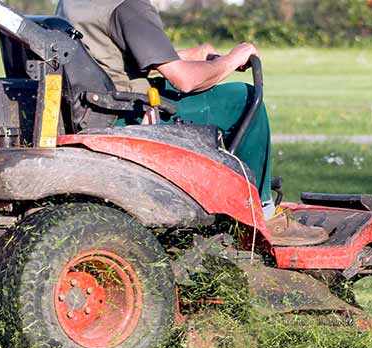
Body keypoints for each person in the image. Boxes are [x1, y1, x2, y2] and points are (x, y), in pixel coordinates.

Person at [57, 0, 329, 246]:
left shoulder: (76, 3)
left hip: (93, 108)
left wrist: (187, 54)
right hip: (125, 116)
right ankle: (264, 215)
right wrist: (234, 58)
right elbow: (185, 80)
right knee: (241, 98)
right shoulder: (129, 6)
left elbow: (111, 57)